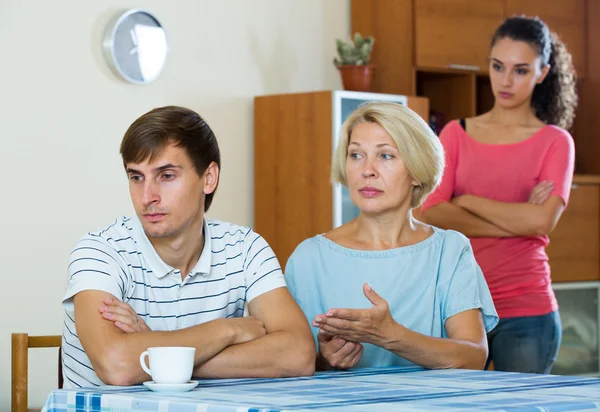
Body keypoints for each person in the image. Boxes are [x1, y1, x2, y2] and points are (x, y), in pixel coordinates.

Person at [61, 106, 315, 388]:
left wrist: (158, 354)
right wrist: (227, 330)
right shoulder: (100, 251)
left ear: (208, 178)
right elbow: (118, 365)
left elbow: (298, 354)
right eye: (136, 177)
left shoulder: (245, 248)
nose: (147, 197)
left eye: (166, 176)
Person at [285, 102, 498, 371]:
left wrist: (391, 335)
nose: (367, 170)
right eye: (355, 155)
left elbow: (473, 357)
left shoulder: (450, 251)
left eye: (385, 156)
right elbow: (288, 362)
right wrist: (323, 360)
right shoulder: (309, 258)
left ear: (416, 171)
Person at [421, 16, 577, 374]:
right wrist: (520, 221)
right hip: (459, 308)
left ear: (542, 73)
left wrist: (467, 201)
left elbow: (541, 220)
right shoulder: (455, 134)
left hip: (528, 310)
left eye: (521, 70)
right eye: (498, 67)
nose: (505, 81)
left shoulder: (556, 142)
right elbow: (431, 212)